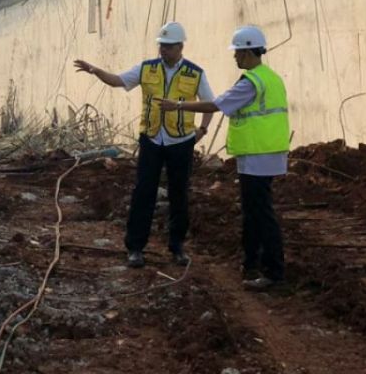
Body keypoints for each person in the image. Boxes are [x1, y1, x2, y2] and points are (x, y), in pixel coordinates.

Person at [73, 21, 214, 268]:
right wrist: (96, 70)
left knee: (179, 193)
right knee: (143, 192)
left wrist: (202, 130)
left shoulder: (195, 73)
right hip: (151, 138)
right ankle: (135, 247)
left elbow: (209, 103)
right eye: (162, 46)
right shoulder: (147, 69)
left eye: (169, 47)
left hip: (180, 141)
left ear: (181, 47)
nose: (164, 51)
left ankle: (177, 247)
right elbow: (118, 81)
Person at [158, 25, 288, 290]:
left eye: (238, 52)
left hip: (257, 153)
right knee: (254, 212)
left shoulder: (251, 82)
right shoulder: (270, 77)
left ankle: (273, 271)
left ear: (249, 51)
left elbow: (216, 105)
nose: (235, 57)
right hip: (265, 152)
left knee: (261, 213)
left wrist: (179, 105)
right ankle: (251, 263)